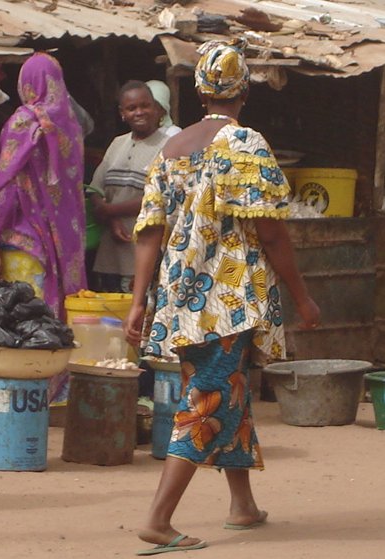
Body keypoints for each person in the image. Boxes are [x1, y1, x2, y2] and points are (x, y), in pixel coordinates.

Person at [124, 38, 320, 554]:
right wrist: (302, 297)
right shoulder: (246, 144)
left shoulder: (170, 149)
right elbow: (273, 232)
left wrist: (139, 300)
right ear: (244, 91)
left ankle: (243, 505)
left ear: (199, 90)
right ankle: (159, 520)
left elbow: (148, 231)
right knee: (209, 397)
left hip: (179, 300)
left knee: (227, 390)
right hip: (229, 298)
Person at [0, 52, 87, 319]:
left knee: (18, 329)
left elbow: (8, 187)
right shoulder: (71, 127)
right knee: (49, 328)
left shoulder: (24, 122)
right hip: (63, 248)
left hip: (22, 245)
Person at [91, 81, 170, 293]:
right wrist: (112, 218)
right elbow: (95, 189)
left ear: (156, 108)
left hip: (143, 256)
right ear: (122, 113)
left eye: (145, 106)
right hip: (109, 255)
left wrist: (110, 210)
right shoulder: (117, 143)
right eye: (132, 108)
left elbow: (160, 196)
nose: (139, 112)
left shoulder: (169, 145)